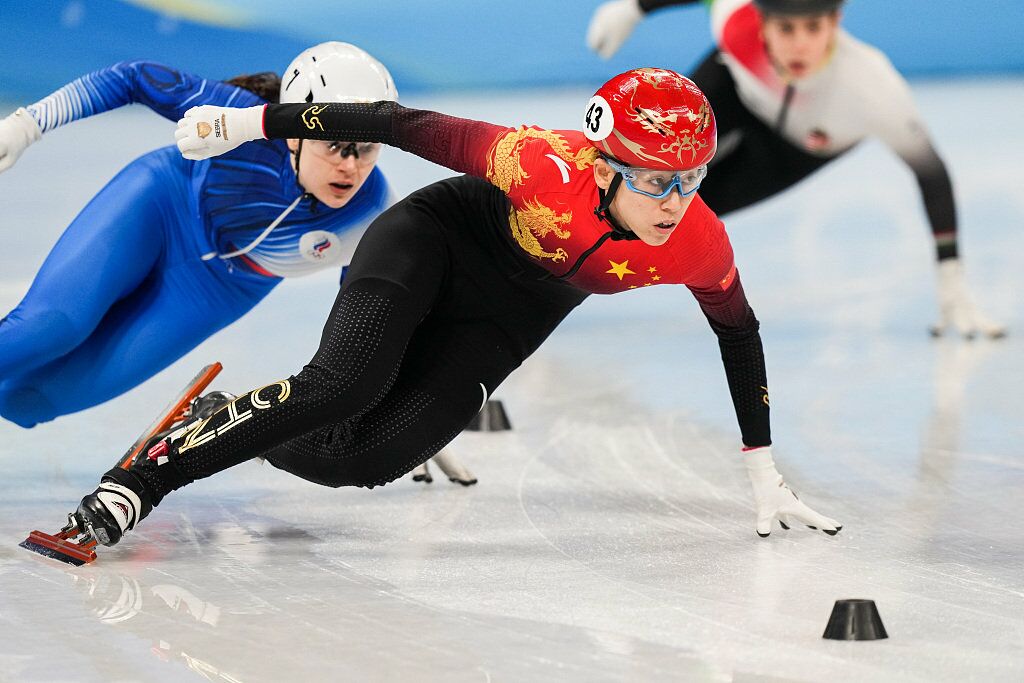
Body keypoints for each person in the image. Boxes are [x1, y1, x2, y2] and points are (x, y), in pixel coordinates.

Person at [58, 67, 840, 556]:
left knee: (356, 460)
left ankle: (226, 413)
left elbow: (739, 332)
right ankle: (147, 477)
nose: (677, 202)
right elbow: (392, 124)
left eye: (693, 178)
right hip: (438, 238)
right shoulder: (533, 162)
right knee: (344, 385)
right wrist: (254, 123)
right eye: (656, 180)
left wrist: (761, 467)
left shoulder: (697, 241)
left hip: (514, 312)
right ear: (602, 166)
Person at [0, 42, 397, 428]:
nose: (351, 165)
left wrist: (391, 411)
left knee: (30, 401)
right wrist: (27, 125)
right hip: (162, 208)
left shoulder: (375, 214)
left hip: (218, 290)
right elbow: (133, 77)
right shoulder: (242, 122)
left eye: (367, 148)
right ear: (294, 134)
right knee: (52, 328)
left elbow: (367, 324)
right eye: (335, 145)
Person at [586, 0, 1005, 338]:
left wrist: (951, 275)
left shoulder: (871, 87)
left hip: (797, 148)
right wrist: (636, 7)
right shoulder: (737, 25)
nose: (800, 45)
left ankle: (565, 269)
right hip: (736, 87)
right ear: (761, 21)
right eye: (786, 29)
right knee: (632, 174)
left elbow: (931, 172)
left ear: (835, 22)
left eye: (813, 28)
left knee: (673, 215)